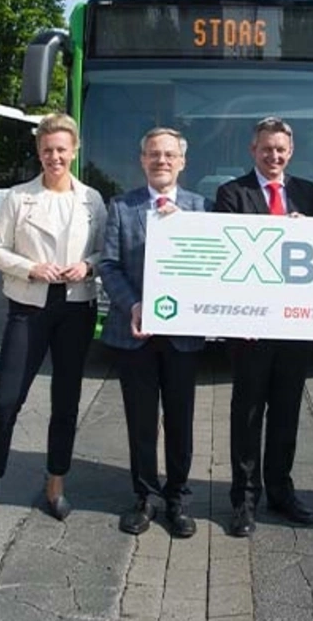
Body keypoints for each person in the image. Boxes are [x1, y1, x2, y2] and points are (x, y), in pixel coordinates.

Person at [0, 113, 105, 522]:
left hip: (76, 306)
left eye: (61, 149)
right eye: (47, 150)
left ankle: (56, 481)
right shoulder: (18, 197)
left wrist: (88, 267)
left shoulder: (91, 199)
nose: (54, 157)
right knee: (6, 398)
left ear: (74, 151)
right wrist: (30, 268)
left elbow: (104, 252)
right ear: (38, 152)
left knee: (65, 401)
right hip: (29, 306)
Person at [214, 117, 313, 537]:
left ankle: (281, 489)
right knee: (247, 413)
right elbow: (227, 250)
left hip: (295, 323)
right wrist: (277, 231)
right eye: (266, 149)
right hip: (250, 325)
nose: (273, 156)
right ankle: (243, 499)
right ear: (252, 150)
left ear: (290, 152)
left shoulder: (307, 193)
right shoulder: (232, 193)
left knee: (286, 412)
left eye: (280, 149)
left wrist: (306, 232)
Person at [99, 127, 207, 538]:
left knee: (181, 419)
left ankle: (178, 497)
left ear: (182, 162)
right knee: (141, 420)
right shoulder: (122, 207)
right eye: (152, 154)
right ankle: (144, 496)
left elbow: (213, 265)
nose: (161, 161)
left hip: (183, 335)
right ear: (142, 160)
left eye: (169, 155)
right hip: (136, 333)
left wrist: (188, 231)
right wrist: (135, 306)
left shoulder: (202, 208)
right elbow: (108, 265)